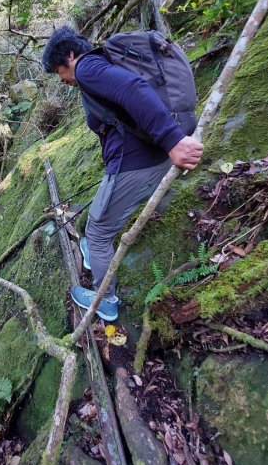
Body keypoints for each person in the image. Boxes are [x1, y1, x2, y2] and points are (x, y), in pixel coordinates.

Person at [42, 26, 203, 322]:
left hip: (139, 162)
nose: (62, 80)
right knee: (100, 220)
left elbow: (133, 89)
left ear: (70, 56)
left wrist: (172, 140)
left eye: (58, 71)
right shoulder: (102, 63)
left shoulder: (88, 67)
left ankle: (106, 301)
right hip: (147, 156)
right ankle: (95, 255)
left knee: (98, 232)